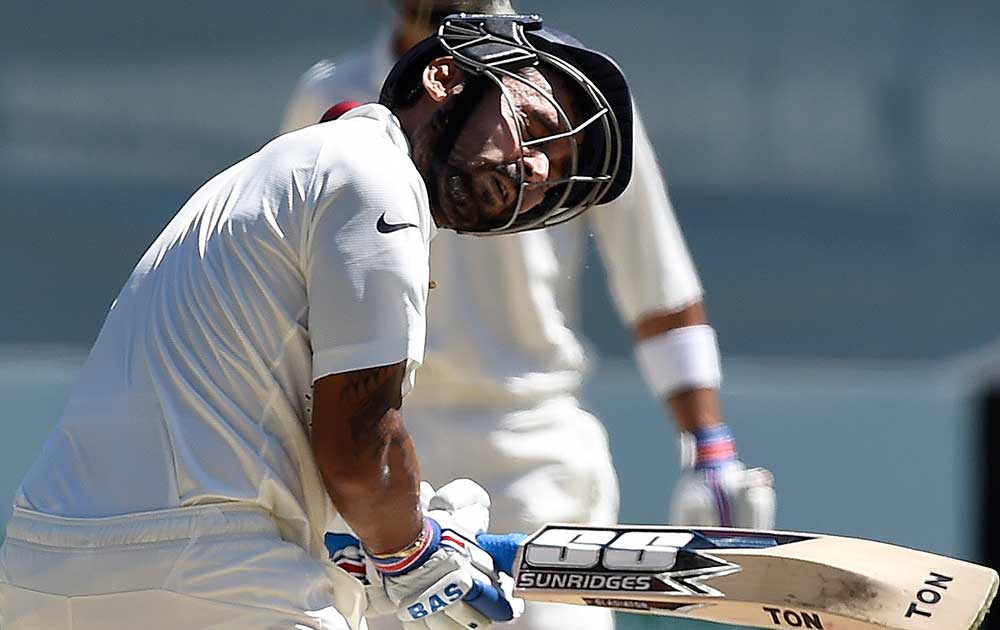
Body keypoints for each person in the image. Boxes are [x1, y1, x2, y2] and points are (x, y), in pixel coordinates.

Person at [0, 14, 633, 630]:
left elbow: (257, 437)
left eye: (558, 175)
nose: (541, 171)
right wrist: (411, 553)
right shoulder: (375, 179)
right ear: (443, 76)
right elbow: (360, 450)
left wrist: (392, 533)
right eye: (536, 127)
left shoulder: (289, 169)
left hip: (45, 571)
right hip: (216, 581)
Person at [282, 4, 776, 630]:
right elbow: (299, 290)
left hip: (537, 457)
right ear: (435, 81)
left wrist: (709, 446)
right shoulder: (330, 97)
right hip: (382, 455)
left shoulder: (569, 94)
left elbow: (655, 278)